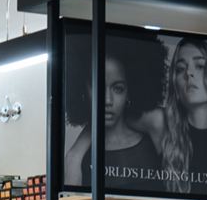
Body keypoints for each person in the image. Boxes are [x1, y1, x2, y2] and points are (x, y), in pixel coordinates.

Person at [63, 30, 163, 186]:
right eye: (99, 88)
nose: (107, 100)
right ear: (83, 89)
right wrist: (73, 157)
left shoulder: (154, 139)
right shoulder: (78, 159)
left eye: (118, 89)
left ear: (131, 90)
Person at [159, 35, 207, 189]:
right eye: (180, 68)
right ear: (175, 83)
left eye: (200, 66)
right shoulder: (161, 127)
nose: (188, 73)